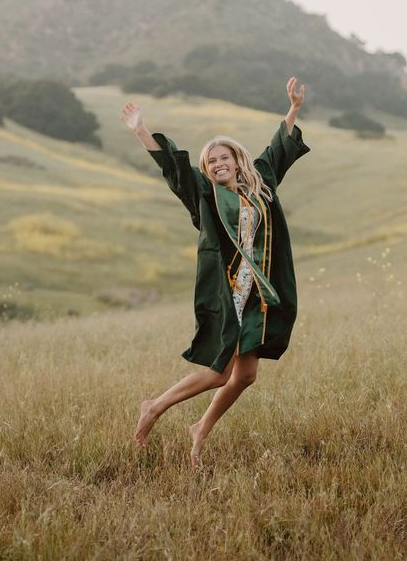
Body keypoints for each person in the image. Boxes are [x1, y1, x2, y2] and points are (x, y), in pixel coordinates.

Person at [120, 77, 309, 468]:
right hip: (228, 292)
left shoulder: (262, 182)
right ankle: (154, 406)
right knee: (220, 373)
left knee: (246, 376)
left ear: (237, 160)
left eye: (224, 158)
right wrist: (141, 130)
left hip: (259, 294)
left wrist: (292, 108)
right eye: (211, 161)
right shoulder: (206, 194)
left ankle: (200, 427)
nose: (218, 164)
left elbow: (278, 148)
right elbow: (173, 168)